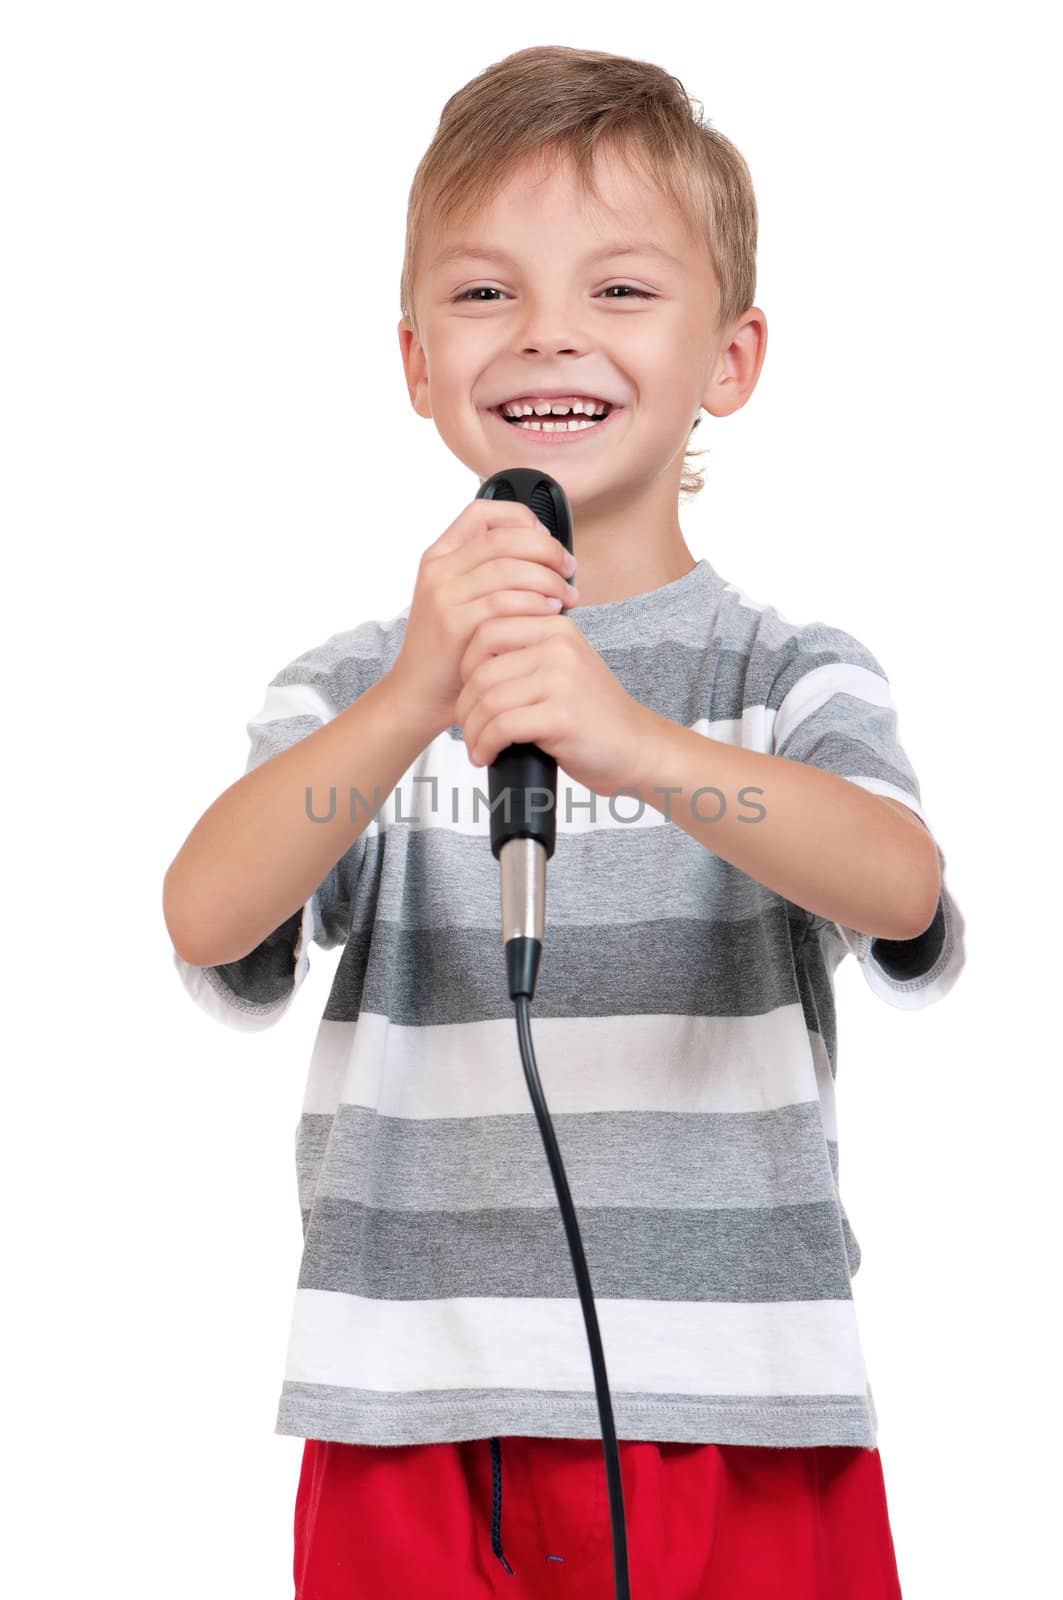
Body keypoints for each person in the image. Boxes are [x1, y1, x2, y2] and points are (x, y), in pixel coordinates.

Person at [163, 43, 966, 1600]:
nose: (547, 335)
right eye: (484, 295)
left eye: (618, 290)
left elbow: (899, 882)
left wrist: (632, 740)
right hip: (413, 1410)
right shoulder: (358, 687)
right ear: (411, 359)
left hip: (742, 1405)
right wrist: (411, 697)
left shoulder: (783, 670)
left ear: (730, 358)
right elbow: (205, 916)